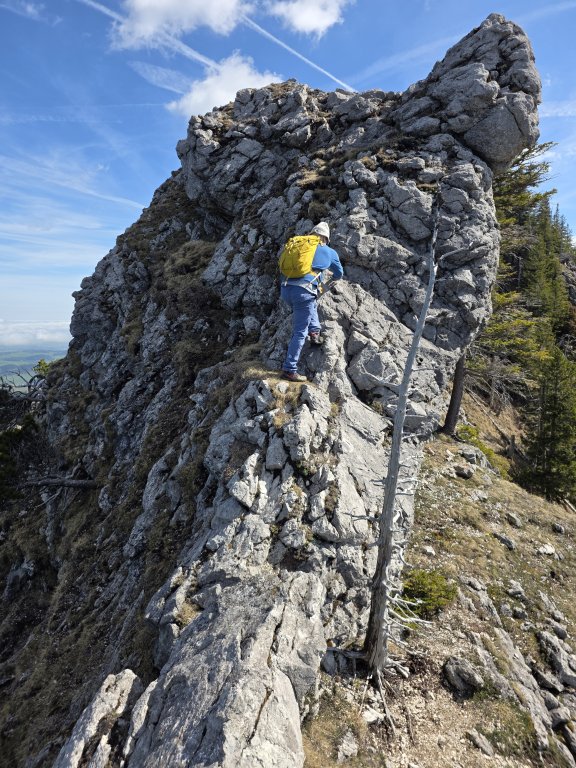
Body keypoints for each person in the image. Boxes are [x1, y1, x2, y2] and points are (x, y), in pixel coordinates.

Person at [280, 222, 344, 382]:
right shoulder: (329, 251)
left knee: (309, 304)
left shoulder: (300, 245)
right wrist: (330, 279)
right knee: (300, 331)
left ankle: (315, 332)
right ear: (326, 238)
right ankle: (289, 370)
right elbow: (339, 273)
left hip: (286, 289)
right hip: (303, 292)